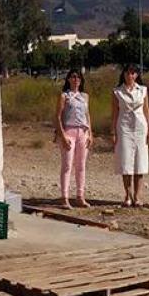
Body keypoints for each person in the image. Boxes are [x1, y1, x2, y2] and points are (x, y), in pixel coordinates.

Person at [112, 64, 149, 207]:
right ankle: (127, 195)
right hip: (124, 127)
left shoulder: (143, 90)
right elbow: (115, 112)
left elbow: (146, 109)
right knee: (126, 161)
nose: (130, 75)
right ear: (123, 74)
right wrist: (113, 132)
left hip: (140, 127)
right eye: (128, 73)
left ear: (136, 75)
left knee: (140, 161)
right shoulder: (117, 92)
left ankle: (137, 196)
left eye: (133, 73)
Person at [54, 69, 92, 209]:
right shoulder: (64, 96)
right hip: (69, 131)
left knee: (81, 166)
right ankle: (64, 197)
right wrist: (62, 135)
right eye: (73, 77)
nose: (76, 79)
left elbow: (87, 115)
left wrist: (90, 133)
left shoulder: (85, 96)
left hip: (83, 131)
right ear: (69, 79)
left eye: (78, 77)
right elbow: (58, 116)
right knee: (67, 165)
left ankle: (80, 196)